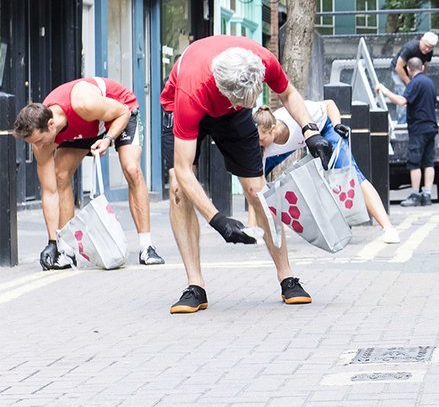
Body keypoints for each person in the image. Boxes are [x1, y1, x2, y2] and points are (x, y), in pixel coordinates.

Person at [160, 35, 334, 314]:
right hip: (185, 106)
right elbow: (183, 170)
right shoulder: (192, 91)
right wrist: (217, 220)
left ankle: (287, 276)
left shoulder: (261, 60)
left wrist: (310, 130)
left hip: (232, 112)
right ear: (222, 88)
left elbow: (288, 94)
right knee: (179, 190)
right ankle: (195, 285)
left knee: (258, 191)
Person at [14, 78, 166, 269]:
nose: (39, 147)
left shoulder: (84, 103)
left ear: (51, 124)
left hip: (117, 113)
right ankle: (66, 249)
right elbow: (49, 191)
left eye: (40, 140)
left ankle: (147, 246)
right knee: (60, 174)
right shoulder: (42, 140)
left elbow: (123, 113)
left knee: (131, 169)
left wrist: (109, 139)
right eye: (34, 143)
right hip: (86, 128)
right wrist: (53, 241)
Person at [251, 100, 401, 243]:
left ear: (272, 129)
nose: (259, 144)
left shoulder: (297, 113)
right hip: (293, 143)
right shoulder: (264, 147)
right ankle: (254, 228)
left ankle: (388, 228)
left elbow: (329, 104)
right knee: (255, 179)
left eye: (261, 140)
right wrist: (252, 232)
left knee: (352, 175)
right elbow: (255, 187)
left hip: (322, 130)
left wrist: (337, 125)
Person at [376, 57, 438, 207]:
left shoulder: (415, 83)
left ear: (409, 70)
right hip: (431, 127)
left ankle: (415, 195)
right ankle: (427, 195)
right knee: (428, 162)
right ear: (422, 67)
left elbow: (402, 101)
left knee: (415, 162)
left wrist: (385, 91)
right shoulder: (430, 83)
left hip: (418, 128)